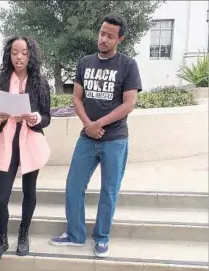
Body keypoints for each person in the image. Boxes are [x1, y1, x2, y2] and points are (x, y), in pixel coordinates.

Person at [49, 13, 142, 258]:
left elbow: (129, 103)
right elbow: (76, 98)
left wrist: (98, 123)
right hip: (87, 138)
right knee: (73, 185)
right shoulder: (85, 62)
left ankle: (102, 238)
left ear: (119, 39)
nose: (103, 39)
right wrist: (89, 124)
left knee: (109, 190)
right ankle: (76, 235)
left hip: (115, 139)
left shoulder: (128, 65)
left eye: (110, 36)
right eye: (102, 33)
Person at [0, 36, 51, 262]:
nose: (19, 57)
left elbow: (47, 118)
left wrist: (36, 118)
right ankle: (2, 239)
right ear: (9, 54)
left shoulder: (40, 83)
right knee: (0, 198)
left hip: (30, 141)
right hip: (7, 140)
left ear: (31, 55)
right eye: (15, 52)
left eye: (24, 52)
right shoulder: (1, 80)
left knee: (29, 192)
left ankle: (23, 234)